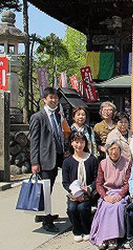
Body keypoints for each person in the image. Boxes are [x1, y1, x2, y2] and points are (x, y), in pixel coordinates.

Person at [29, 87, 65, 232]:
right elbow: (34, 141)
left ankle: (43, 213)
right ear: (44, 99)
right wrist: (34, 162)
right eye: (51, 97)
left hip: (56, 157)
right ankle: (47, 220)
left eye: (56, 97)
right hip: (44, 159)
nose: (54, 100)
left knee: (48, 188)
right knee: (45, 189)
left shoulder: (57, 115)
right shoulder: (38, 117)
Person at [90, 139, 132, 250]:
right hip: (108, 193)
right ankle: (103, 237)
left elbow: (128, 183)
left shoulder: (127, 163)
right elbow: (99, 183)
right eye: (111, 149)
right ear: (108, 151)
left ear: (120, 150)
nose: (114, 152)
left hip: (121, 192)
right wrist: (105, 196)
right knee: (105, 206)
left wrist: (120, 195)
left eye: (116, 149)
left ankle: (113, 238)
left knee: (117, 207)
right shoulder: (103, 163)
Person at [62, 132, 98, 242]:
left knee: (83, 208)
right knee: (72, 208)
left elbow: (97, 178)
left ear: (85, 143)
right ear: (72, 143)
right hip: (74, 193)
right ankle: (77, 230)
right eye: (76, 142)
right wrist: (73, 190)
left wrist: (89, 188)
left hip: (88, 193)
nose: (79, 145)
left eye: (82, 142)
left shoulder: (92, 159)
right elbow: (65, 182)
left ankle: (86, 229)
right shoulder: (67, 162)